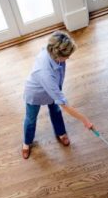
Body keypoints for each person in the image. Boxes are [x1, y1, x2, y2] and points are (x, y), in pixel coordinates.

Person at [22, 31, 95, 159]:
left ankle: (60, 132)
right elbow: (64, 104)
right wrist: (85, 120)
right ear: (57, 55)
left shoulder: (52, 49)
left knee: (55, 111)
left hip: (53, 87)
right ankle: (26, 143)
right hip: (36, 93)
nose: (68, 58)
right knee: (31, 119)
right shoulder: (45, 73)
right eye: (67, 56)